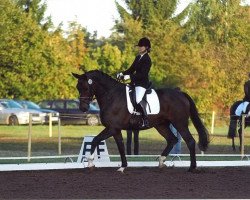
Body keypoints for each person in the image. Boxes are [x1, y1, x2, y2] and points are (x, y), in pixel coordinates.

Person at [117, 37, 152, 127]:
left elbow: (143, 75)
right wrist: (122, 73)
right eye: (139, 46)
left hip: (142, 84)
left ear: (147, 48)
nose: (139, 48)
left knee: (138, 99)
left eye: (141, 46)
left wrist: (130, 77)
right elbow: (131, 69)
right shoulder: (138, 58)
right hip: (134, 83)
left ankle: (145, 119)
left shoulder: (147, 60)